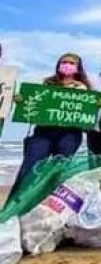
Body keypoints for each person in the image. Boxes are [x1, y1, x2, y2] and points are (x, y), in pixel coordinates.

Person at [9, 53, 93, 196]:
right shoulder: (47, 84)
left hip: (69, 134)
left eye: (71, 63)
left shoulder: (84, 89)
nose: (67, 65)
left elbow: (88, 114)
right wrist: (21, 100)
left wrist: (96, 105)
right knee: (30, 169)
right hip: (44, 132)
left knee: (59, 171)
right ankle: (16, 202)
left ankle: (49, 203)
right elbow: (35, 104)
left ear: (78, 68)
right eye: (64, 62)